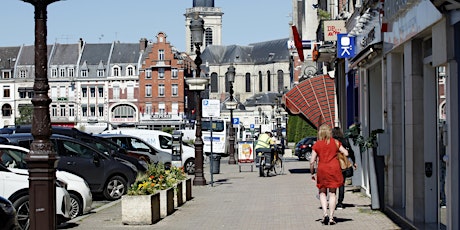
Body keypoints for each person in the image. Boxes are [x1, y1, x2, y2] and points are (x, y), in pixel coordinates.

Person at [310, 124, 348, 225]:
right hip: (334, 169)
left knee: (322, 192)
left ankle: (325, 213)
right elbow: (346, 153)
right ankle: (331, 217)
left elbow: (312, 161)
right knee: (333, 193)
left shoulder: (317, 144)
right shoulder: (335, 142)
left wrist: (312, 172)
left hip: (322, 169)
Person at [332, 127, 357, 209]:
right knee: (341, 184)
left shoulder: (331, 141)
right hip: (343, 165)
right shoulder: (344, 140)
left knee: (332, 184)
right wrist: (354, 162)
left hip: (333, 164)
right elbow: (350, 152)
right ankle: (340, 202)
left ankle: (331, 200)